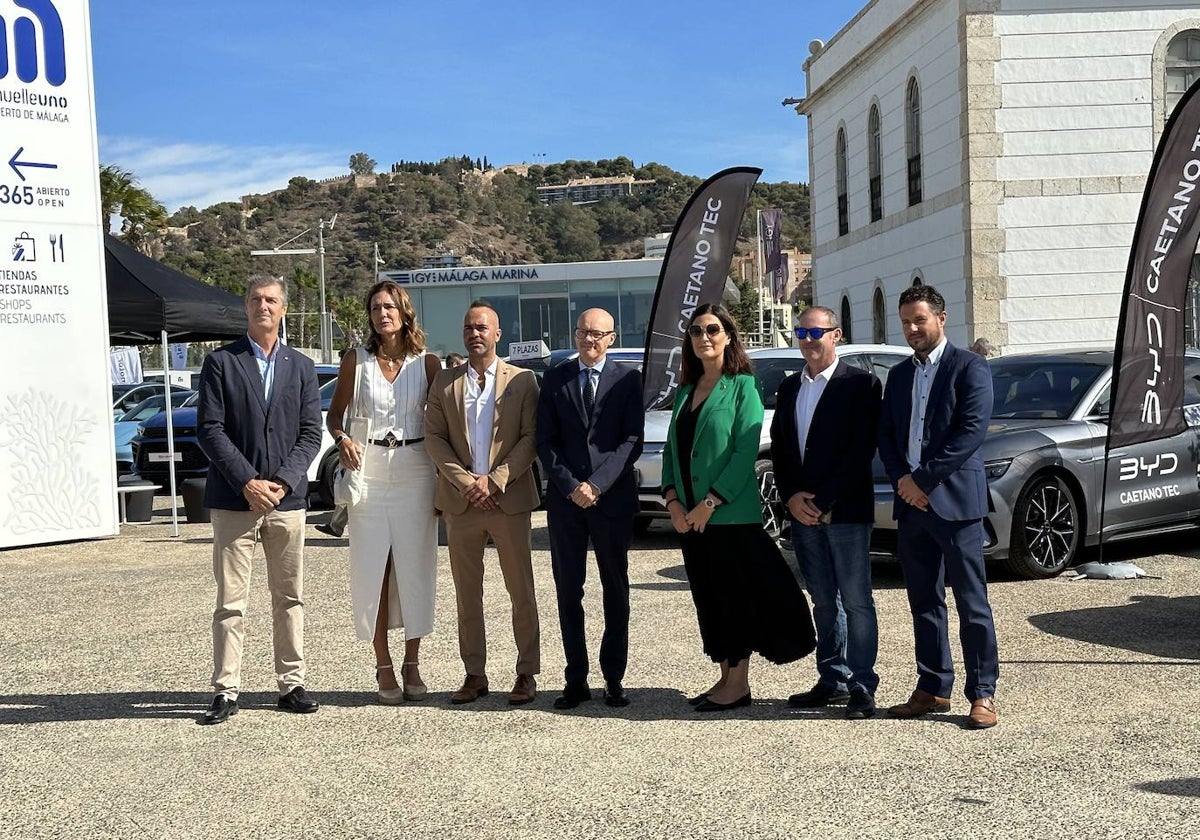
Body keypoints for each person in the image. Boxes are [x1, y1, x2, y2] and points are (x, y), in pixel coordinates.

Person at [662, 303, 809, 712]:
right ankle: (725, 675)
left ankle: (739, 684)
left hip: (727, 515)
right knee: (708, 598)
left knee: (734, 599)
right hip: (690, 519)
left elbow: (745, 451)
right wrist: (673, 501)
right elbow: (674, 451)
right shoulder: (686, 392)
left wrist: (710, 502)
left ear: (728, 336)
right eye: (695, 332)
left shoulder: (743, 386)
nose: (703, 338)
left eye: (712, 329)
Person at [196, 274, 323, 725]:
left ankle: (291, 685)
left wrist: (283, 484)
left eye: (271, 300)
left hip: (286, 504)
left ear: (283, 309)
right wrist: (248, 482)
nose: (262, 306)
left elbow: (311, 433)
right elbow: (209, 430)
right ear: (246, 307)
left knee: (289, 597)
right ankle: (226, 690)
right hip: (235, 502)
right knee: (231, 601)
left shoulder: (302, 367)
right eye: (255, 299)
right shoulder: (221, 364)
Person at [878, 284, 999, 729]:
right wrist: (903, 483)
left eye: (919, 320)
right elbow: (887, 437)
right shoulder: (900, 375)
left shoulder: (970, 367)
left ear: (941, 319)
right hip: (912, 507)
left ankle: (982, 693)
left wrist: (922, 480)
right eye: (906, 321)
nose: (911, 329)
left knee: (972, 602)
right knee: (923, 601)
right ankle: (932, 687)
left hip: (955, 504)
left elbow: (970, 432)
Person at [326, 281, 441, 704]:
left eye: (389, 306)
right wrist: (342, 439)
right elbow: (334, 415)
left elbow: (443, 422)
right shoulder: (355, 360)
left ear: (404, 312)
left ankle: (412, 661)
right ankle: (383, 663)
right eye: (375, 308)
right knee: (373, 567)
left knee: (415, 568)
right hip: (367, 469)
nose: (382, 314)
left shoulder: (427, 364)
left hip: (416, 469)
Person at [425, 301, 542, 705]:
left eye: (482, 327)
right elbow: (435, 439)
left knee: (520, 591)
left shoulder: (522, 380)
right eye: (468, 327)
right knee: (466, 594)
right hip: (461, 504)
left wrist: (493, 482)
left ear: (497, 334)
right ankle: (474, 673)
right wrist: (466, 483)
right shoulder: (444, 381)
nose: (474, 333)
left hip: (507, 501)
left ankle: (526, 672)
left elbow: (530, 439)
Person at [770, 306, 882, 719]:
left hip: (846, 511)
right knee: (822, 599)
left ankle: (862, 684)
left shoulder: (862, 385)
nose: (808, 338)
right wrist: (791, 496)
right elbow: (781, 448)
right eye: (801, 331)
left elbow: (860, 451)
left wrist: (822, 500)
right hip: (803, 514)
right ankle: (831, 678)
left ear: (836, 335)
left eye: (816, 331)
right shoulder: (789, 388)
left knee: (855, 600)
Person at [536, 308, 644, 710]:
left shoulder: (628, 380)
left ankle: (613, 678)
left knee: (615, 590)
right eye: (583, 332)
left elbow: (631, 440)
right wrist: (571, 486)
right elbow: (544, 442)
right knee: (569, 591)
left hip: (610, 500)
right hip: (567, 505)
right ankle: (575, 679)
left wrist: (597, 485)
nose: (589, 340)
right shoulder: (556, 378)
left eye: (597, 334)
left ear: (611, 338)